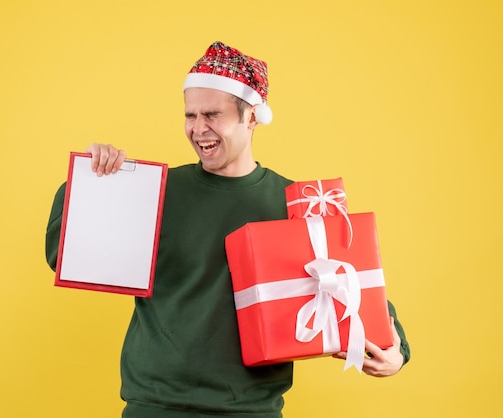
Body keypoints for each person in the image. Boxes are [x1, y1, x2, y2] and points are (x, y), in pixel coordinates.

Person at [45, 41, 410, 418]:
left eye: (212, 114)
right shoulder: (154, 192)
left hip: (251, 411)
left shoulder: (298, 206)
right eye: (190, 115)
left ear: (251, 116)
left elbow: (355, 290)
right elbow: (64, 255)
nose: (198, 128)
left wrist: (396, 353)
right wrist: (91, 181)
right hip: (154, 406)